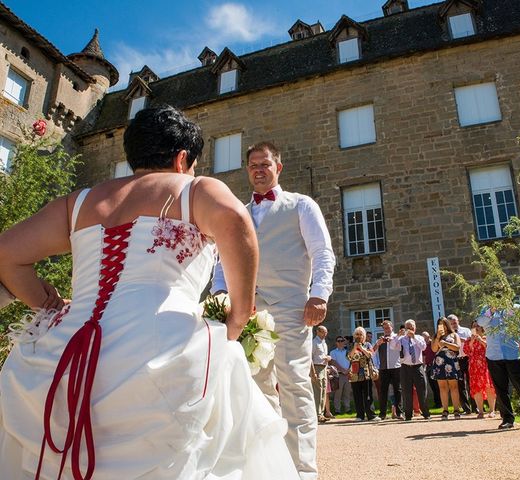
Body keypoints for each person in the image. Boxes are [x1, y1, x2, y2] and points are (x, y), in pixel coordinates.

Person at [0, 105, 298, 479]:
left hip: (68, 345)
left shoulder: (77, 203)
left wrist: (49, 304)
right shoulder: (194, 189)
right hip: (158, 343)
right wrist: (239, 314)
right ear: (182, 158)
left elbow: (7, 254)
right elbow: (235, 221)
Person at [211, 141, 335, 480]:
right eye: (253, 165)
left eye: (265, 164)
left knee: (294, 384)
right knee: (256, 387)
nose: (259, 170)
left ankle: (303, 469)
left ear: (278, 168)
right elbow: (222, 261)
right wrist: (221, 295)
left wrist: (319, 294)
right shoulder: (239, 212)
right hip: (247, 313)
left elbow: (322, 253)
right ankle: (270, 467)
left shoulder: (301, 206)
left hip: (294, 309)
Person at [476, 303, 520, 430]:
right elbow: (481, 322)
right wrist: (491, 311)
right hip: (494, 355)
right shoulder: (486, 310)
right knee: (500, 389)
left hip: (513, 353)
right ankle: (507, 419)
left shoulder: (516, 307)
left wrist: (511, 310)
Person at [390, 319, 430, 421]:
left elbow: (423, 347)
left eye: (411, 327)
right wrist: (398, 335)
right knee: (406, 391)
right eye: (408, 328)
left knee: (422, 390)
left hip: (417, 366)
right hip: (405, 367)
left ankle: (425, 413)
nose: (410, 329)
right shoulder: (401, 339)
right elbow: (392, 346)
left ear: (415, 328)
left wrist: (414, 337)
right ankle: (408, 414)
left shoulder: (419, 338)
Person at [463, 321, 497, 418]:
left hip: (485, 365)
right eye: (474, 326)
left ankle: (492, 410)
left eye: (478, 326)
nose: (476, 328)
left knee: (489, 387)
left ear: (482, 328)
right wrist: (472, 342)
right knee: (477, 388)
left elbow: (489, 348)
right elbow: (466, 351)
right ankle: (481, 411)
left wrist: (480, 340)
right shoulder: (468, 340)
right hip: (474, 367)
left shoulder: (487, 338)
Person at [347, 327, 381, 422]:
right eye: (357, 334)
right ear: (354, 336)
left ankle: (371, 415)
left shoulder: (368, 344)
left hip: (366, 373)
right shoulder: (351, 345)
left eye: (361, 334)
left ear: (364, 336)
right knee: (357, 396)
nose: (359, 336)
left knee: (368, 395)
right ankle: (360, 415)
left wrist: (362, 348)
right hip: (355, 374)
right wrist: (355, 347)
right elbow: (349, 357)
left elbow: (370, 355)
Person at [431, 317, 463, 419]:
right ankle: (445, 410)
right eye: (439, 324)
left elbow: (457, 347)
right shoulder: (436, 336)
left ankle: (456, 410)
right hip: (440, 362)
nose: (442, 326)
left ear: (447, 324)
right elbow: (434, 349)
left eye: (443, 324)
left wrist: (446, 344)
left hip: (451, 361)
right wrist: (438, 338)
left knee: (454, 386)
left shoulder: (454, 335)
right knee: (442, 387)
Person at [372, 320, 404, 420]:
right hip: (384, 368)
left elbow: (401, 349)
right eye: (384, 328)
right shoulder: (380, 340)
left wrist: (393, 340)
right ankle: (382, 413)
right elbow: (372, 352)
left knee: (397, 390)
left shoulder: (397, 338)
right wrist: (378, 344)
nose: (386, 330)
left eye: (388, 327)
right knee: (383, 391)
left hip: (396, 367)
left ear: (392, 327)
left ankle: (399, 413)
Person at [448, 314, 473, 414]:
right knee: (460, 384)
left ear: (458, 321)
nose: (454, 324)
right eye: (452, 323)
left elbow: (472, 341)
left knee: (471, 383)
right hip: (456, 360)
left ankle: (477, 406)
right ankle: (466, 408)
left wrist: (461, 340)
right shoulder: (449, 334)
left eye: (455, 322)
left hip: (467, 358)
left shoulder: (466, 330)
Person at [311, 325, 332, 423]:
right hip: (316, 367)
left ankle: (322, 413)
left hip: (324, 367)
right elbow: (310, 357)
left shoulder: (324, 343)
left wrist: (328, 358)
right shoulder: (314, 342)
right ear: (318, 332)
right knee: (317, 391)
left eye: (326, 332)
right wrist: (313, 372)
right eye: (323, 332)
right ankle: (317, 414)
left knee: (324, 390)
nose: (325, 334)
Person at [330, 336, 352, 414]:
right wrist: (343, 370)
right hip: (339, 374)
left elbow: (351, 361)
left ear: (344, 342)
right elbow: (334, 363)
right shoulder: (333, 352)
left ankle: (347, 408)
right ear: (336, 343)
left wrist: (349, 370)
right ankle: (337, 409)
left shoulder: (348, 351)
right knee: (338, 393)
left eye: (342, 341)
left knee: (347, 392)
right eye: (338, 341)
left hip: (348, 374)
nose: (340, 342)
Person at [422, 331, 442, 409]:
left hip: (436, 366)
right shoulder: (424, 346)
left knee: (437, 385)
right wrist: (424, 366)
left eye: (425, 338)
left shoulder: (434, 344)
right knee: (432, 386)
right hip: (428, 367)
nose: (424, 340)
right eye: (423, 338)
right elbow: (424, 357)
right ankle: (437, 403)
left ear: (429, 337)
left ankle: (441, 403)